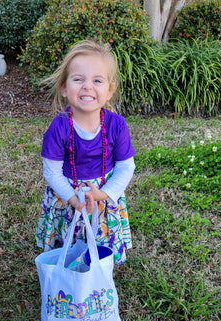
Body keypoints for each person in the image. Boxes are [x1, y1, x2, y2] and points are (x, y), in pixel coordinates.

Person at [35, 39, 136, 264]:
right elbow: (52, 172)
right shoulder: (59, 127)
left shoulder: (117, 125)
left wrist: (104, 194)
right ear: (64, 87)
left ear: (109, 91)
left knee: (99, 247)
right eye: (78, 79)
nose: (87, 86)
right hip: (67, 197)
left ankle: (99, 267)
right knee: (68, 248)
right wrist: (73, 199)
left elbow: (126, 166)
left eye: (97, 80)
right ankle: (69, 266)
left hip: (102, 195)